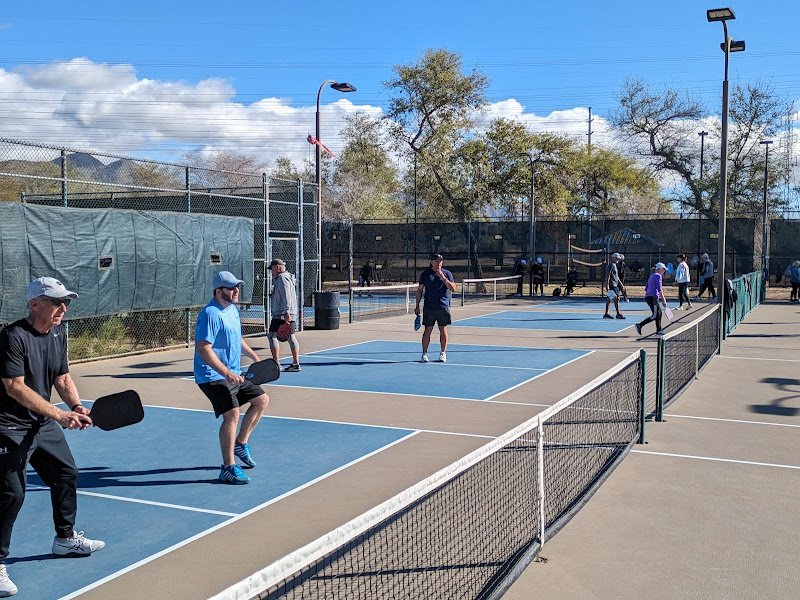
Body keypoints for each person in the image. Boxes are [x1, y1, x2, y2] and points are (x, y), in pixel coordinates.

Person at [0, 277, 105, 597]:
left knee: (66, 473)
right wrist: (59, 414)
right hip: (7, 425)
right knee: (11, 494)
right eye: (56, 302)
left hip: (40, 425)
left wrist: (75, 405)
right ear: (34, 305)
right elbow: (14, 387)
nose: (63, 308)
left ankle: (65, 539)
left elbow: (62, 375)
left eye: (66, 302)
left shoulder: (57, 333)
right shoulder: (11, 337)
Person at [194, 271, 270, 485]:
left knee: (261, 401)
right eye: (231, 288)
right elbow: (203, 350)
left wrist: (255, 357)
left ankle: (241, 443)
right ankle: (228, 467)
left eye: (237, 287)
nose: (236, 291)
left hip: (233, 373)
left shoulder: (232, 311)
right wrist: (226, 373)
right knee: (232, 414)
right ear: (219, 291)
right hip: (212, 375)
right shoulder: (210, 314)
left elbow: (238, 338)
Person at [414, 254, 457, 363]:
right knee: (427, 330)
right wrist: (417, 305)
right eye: (437, 261)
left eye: (441, 261)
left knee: (443, 330)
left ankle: (443, 353)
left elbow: (453, 288)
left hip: (443, 307)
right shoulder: (425, 274)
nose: (439, 263)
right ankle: (424, 354)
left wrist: (443, 278)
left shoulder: (447, 273)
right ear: (432, 262)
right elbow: (420, 290)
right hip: (429, 307)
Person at [267, 259, 301, 372]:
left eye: (272, 268)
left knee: (272, 336)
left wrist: (286, 311)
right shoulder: (286, 278)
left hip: (282, 313)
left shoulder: (282, 278)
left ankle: (276, 364)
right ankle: (296, 364)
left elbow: (287, 295)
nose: (271, 271)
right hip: (289, 312)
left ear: (277, 267)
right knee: (291, 337)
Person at [635, 263, 670, 336]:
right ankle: (640, 325)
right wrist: (664, 300)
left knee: (659, 313)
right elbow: (660, 289)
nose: (664, 271)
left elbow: (646, 288)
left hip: (649, 297)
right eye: (663, 269)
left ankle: (659, 330)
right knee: (655, 315)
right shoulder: (658, 276)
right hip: (652, 297)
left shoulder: (652, 275)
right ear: (659, 269)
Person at [603, 253, 627, 320]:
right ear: (613, 258)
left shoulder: (614, 265)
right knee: (616, 298)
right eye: (617, 258)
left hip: (615, 285)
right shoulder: (611, 265)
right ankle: (617, 314)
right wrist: (607, 285)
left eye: (618, 258)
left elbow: (616, 277)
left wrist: (621, 284)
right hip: (612, 285)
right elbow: (608, 275)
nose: (618, 259)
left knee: (610, 299)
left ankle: (607, 313)